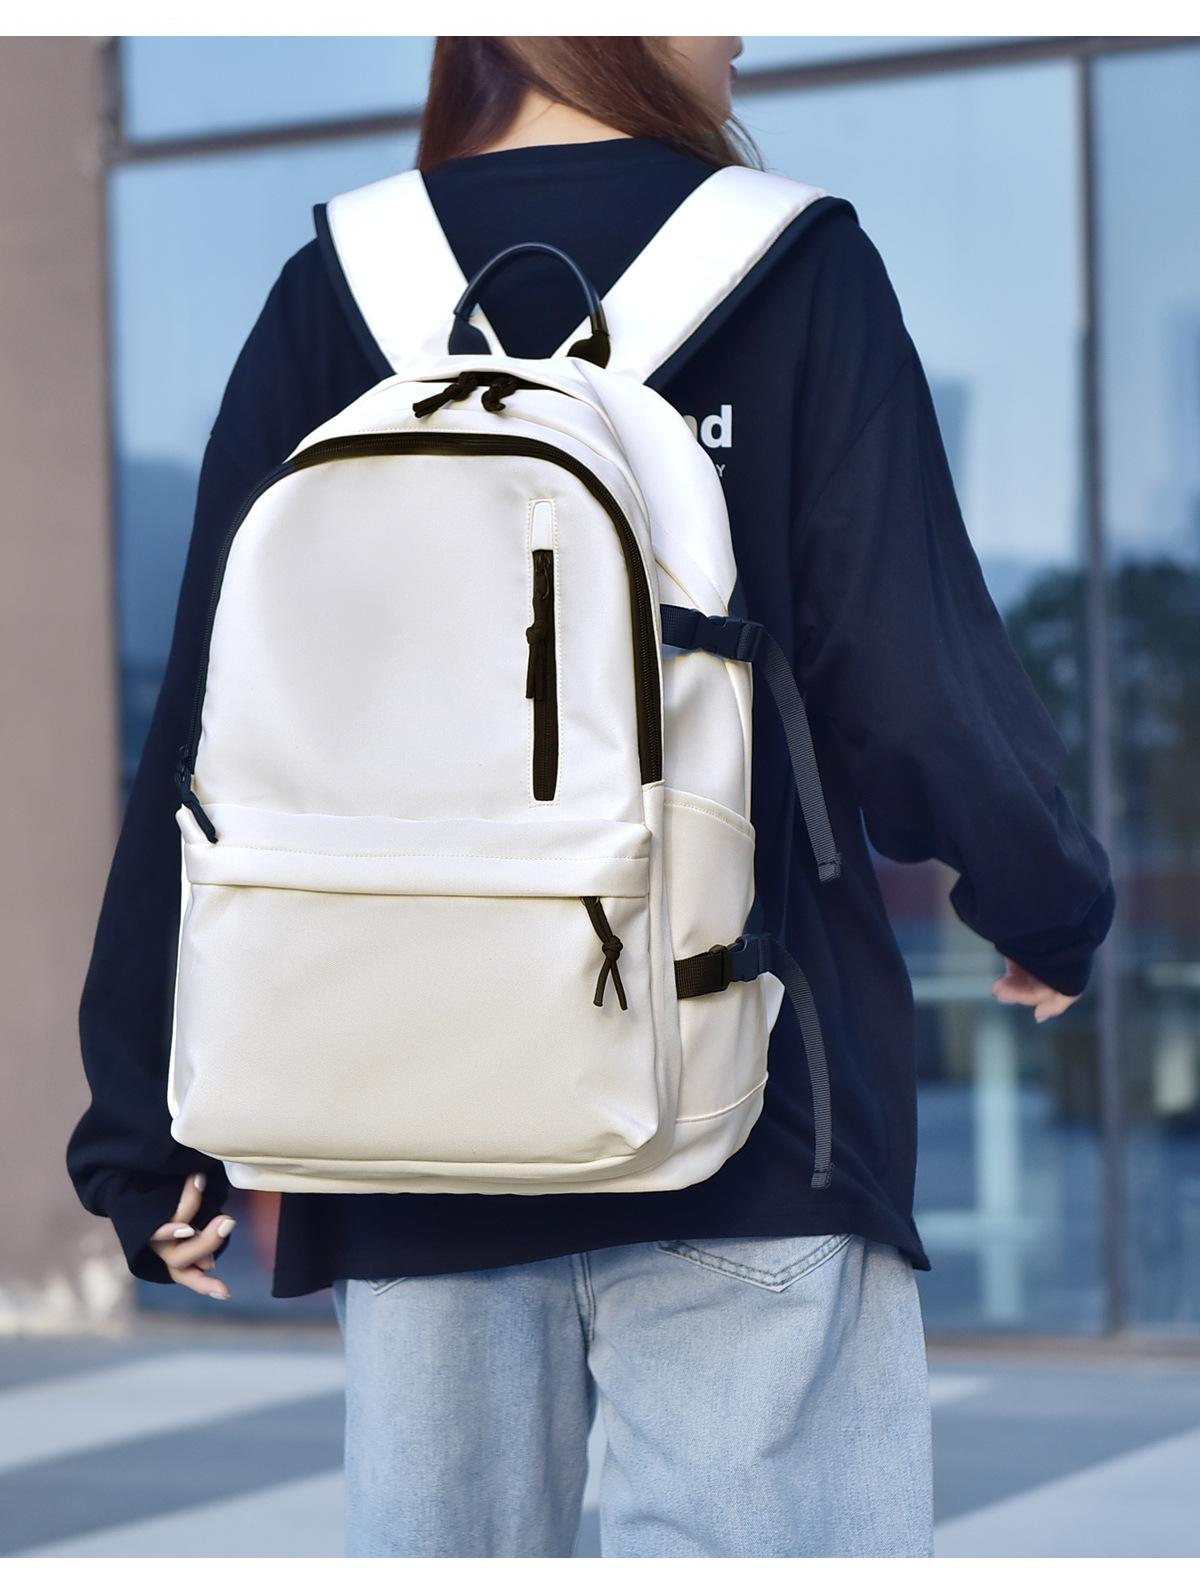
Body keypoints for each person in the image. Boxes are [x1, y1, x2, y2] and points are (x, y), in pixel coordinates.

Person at [67, 36, 1116, 1558]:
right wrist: (1046, 900)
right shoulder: (795, 268)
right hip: (750, 1109)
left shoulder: (337, 289)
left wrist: (141, 1122)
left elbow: (207, 731)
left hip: (397, 1109)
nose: (740, 28)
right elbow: (910, 668)